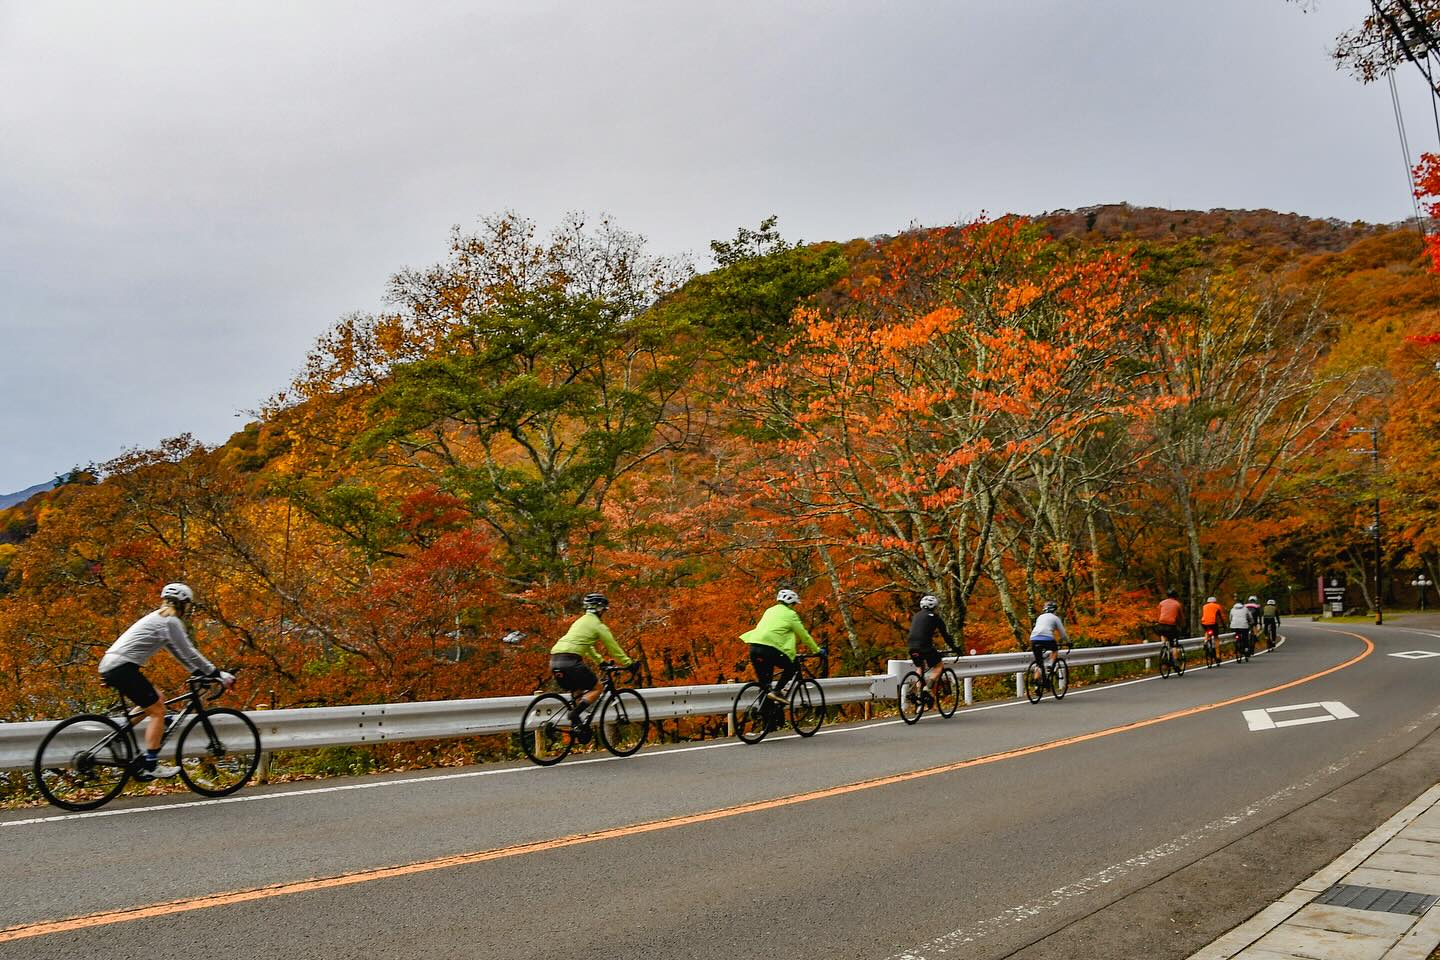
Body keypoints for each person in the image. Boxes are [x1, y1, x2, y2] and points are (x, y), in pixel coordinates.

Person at [98, 583, 234, 780]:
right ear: (183, 604)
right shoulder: (170, 621)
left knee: (158, 699)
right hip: (122, 668)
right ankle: (151, 764)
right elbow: (189, 651)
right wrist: (216, 673)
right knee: (158, 712)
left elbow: (177, 652)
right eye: (188, 605)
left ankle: (119, 734)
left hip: (113, 665)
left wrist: (197, 672)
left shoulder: (159, 618)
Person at [549, 593, 636, 723]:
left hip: (555, 660)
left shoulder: (579, 622)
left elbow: (587, 646)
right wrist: (629, 663)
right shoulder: (598, 626)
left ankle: (577, 728)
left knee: (578, 691)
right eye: (604, 610)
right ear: (600, 609)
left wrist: (600, 662)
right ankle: (574, 715)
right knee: (597, 688)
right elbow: (613, 647)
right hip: (571, 661)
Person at [741, 589, 822, 705]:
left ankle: (766, 717)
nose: (794, 607)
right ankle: (777, 691)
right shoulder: (791, 614)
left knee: (765, 685)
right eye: (794, 604)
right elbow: (804, 636)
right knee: (792, 667)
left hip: (754, 648)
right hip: (770, 650)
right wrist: (817, 650)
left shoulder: (769, 611)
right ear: (790, 603)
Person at [908, 595, 957, 701]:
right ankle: (927, 688)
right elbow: (945, 636)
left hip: (911, 646)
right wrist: (955, 648)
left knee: (920, 667)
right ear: (934, 607)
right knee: (938, 666)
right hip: (924, 646)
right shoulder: (935, 617)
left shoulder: (915, 616)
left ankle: (919, 693)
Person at [1029, 601, 1069, 672]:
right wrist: (1069, 642)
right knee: (1054, 650)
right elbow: (1063, 634)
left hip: (1033, 638)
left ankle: (1036, 679)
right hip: (1047, 638)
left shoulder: (1040, 617)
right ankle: (1050, 665)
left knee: (1039, 664)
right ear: (1054, 610)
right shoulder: (1055, 618)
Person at [1154, 589, 1184, 660]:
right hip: (1171, 626)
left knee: (1163, 634)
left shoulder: (1161, 603)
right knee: (1174, 645)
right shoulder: (1177, 604)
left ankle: (1164, 647)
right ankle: (1176, 662)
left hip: (1161, 625)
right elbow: (1180, 617)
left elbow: (1158, 614)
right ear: (1176, 596)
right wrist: (1182, 625)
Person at [1200, 595, 1226, 662]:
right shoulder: (1217, 606)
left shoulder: (1204, 606)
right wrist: (1224, 624)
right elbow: (1221, 616)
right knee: (1216, 637)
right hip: (1213, 623)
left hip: (1204, 623)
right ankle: (1217, 656)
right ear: (1215, 601)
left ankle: (1205, 641)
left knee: (1207, 632)